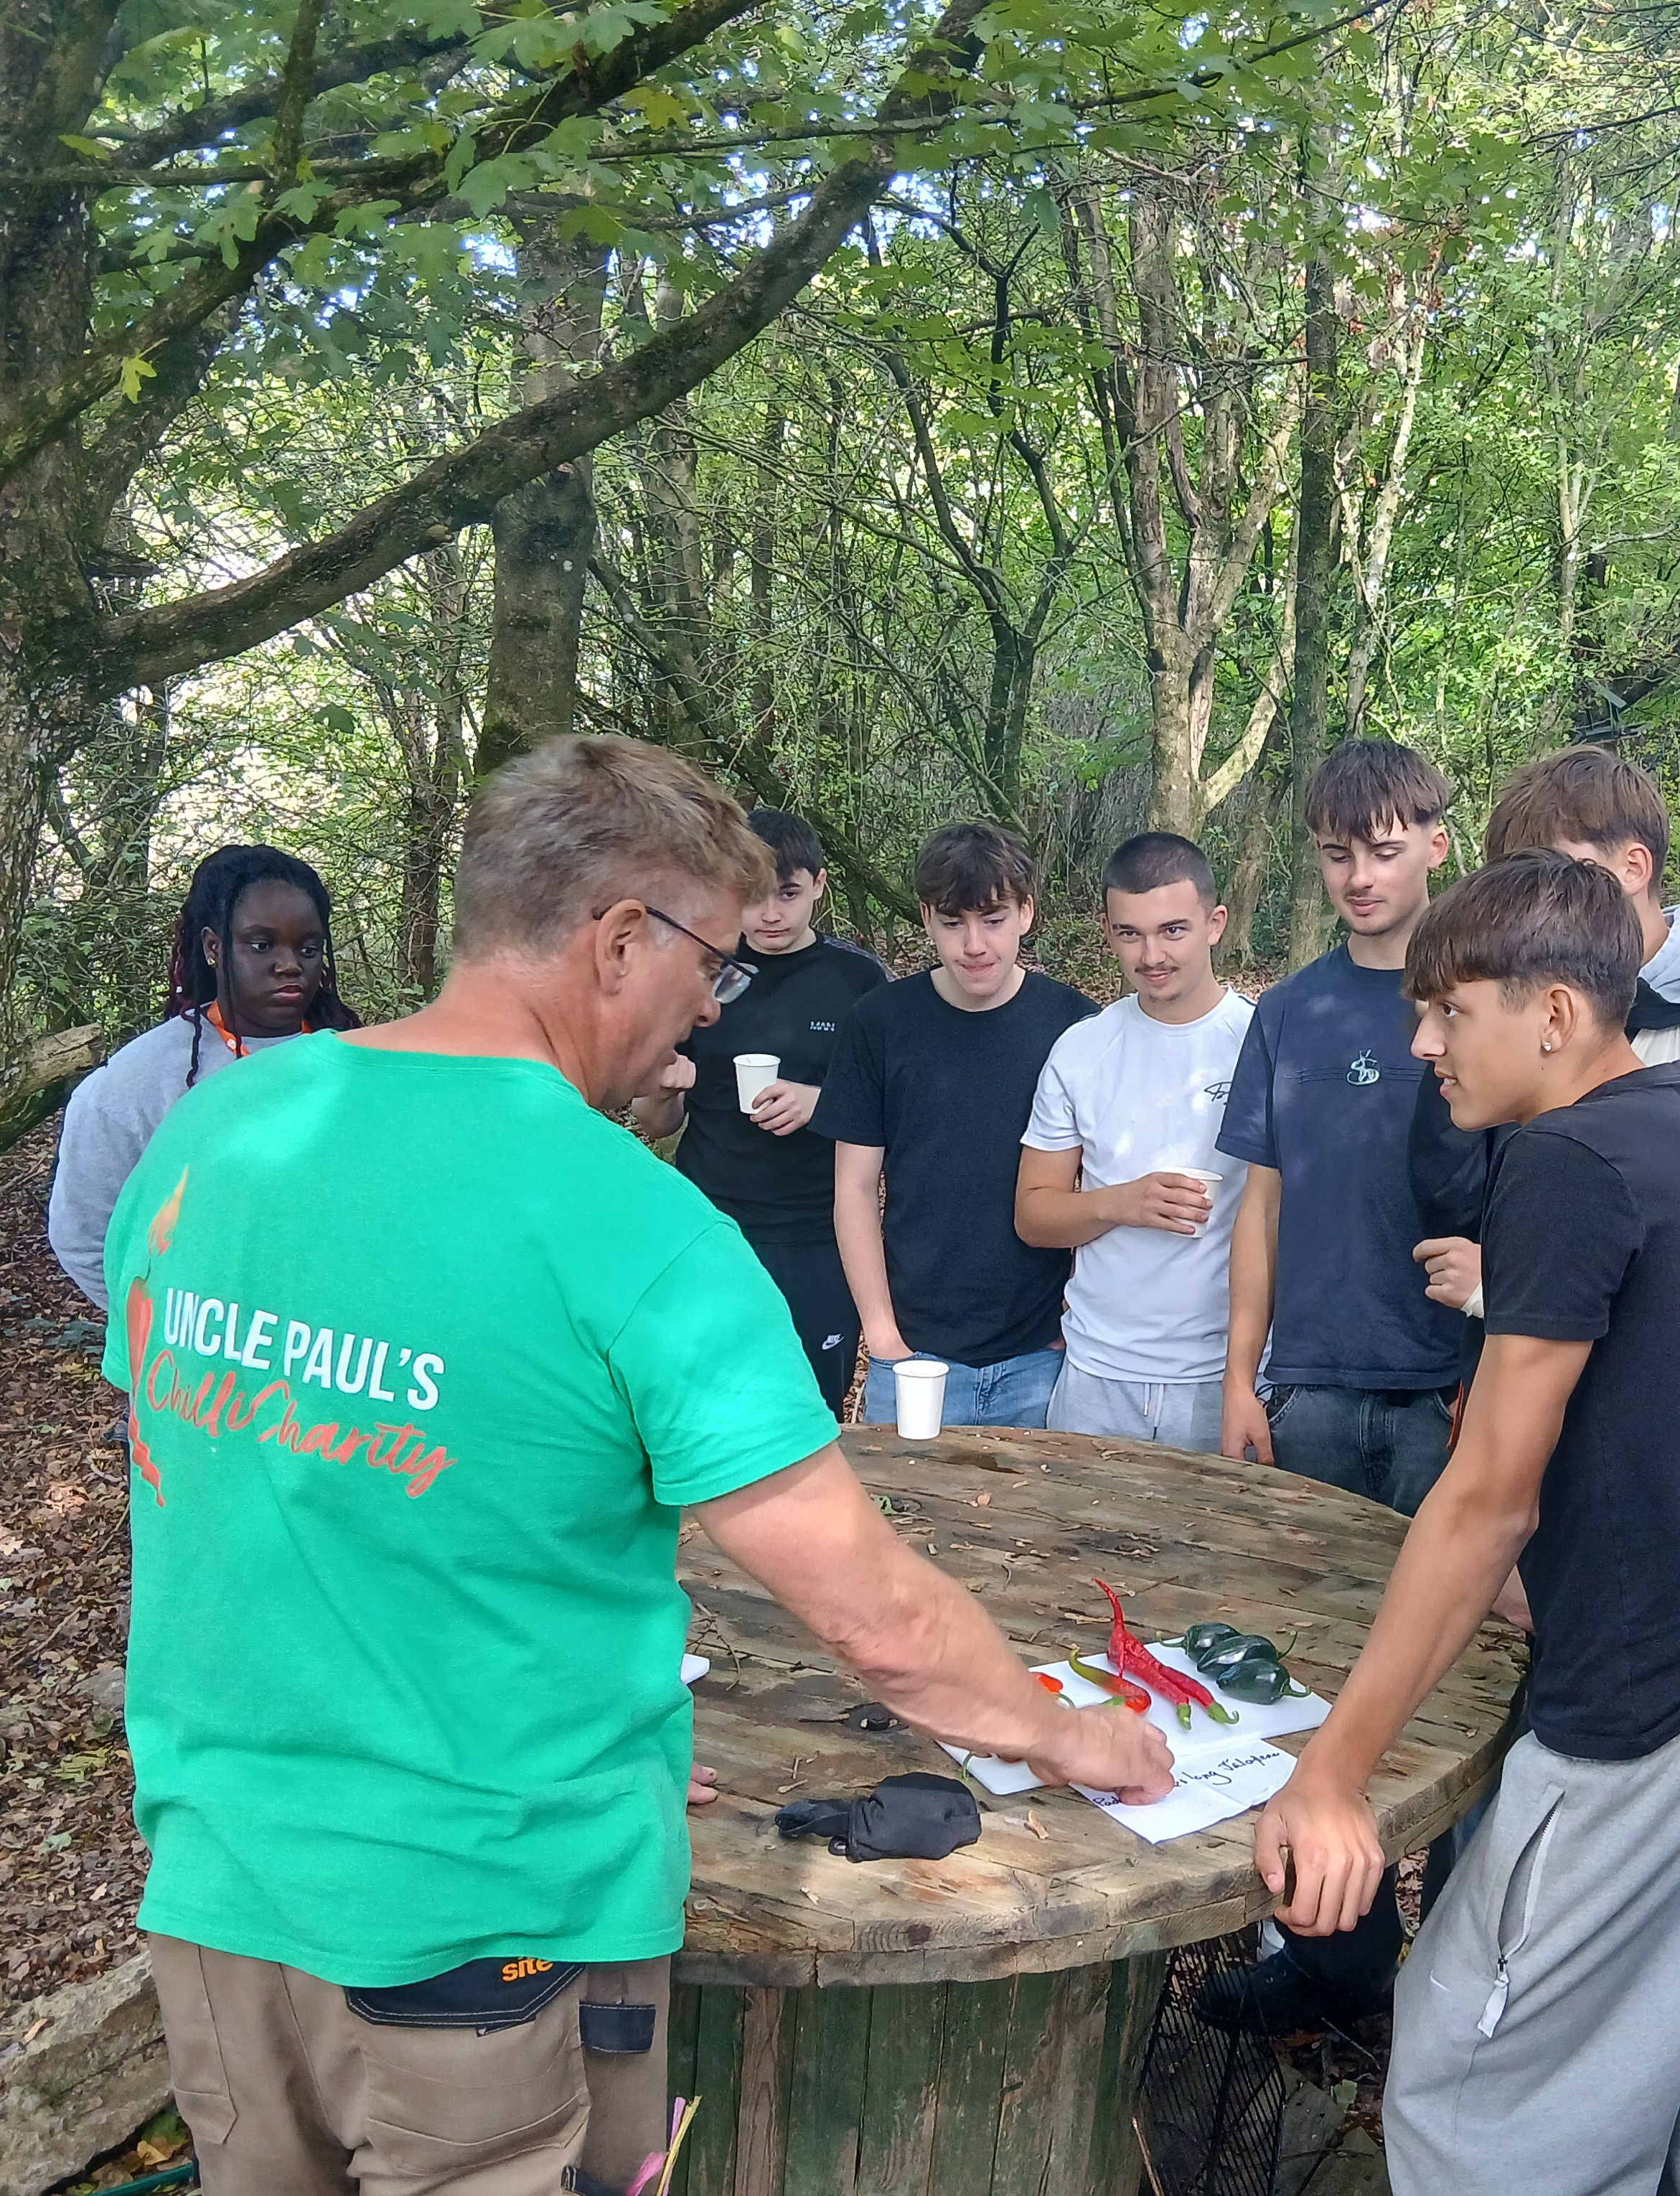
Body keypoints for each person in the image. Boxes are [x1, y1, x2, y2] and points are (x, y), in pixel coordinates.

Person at [100, 736, 1170, 2196]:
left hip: (219, 1896)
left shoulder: (218, 1134)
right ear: (618, 940)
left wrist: (595, 1722)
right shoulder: (638, 1229)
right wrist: (1076, 1734)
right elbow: (881, 1624)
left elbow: (239, 1493)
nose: (704, 1020)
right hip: (482, 1938)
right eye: (711, 968)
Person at [1252, 853, 1680, 2193]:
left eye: (1451, 1011)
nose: (1423, 1042)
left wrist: (1332, 1775)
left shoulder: (1566, 1160)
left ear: (1554, 1015)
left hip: (1642, 1710)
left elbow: (1487, 1495)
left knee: (1469, 2095)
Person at [1202, 738, 1466, 2032]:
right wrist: (1244, 1373)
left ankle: (1464, 1988)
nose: (1359, 875)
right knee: (1295, 1678)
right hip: (1310, 1390)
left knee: (1464, 1692)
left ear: (1436, 841)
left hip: (1444, 1399)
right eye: (1336, 852)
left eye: (1383, 845)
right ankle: (1336, 1968)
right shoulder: (1290, 1012)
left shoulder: (1476, 999)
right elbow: (1261, 1199)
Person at [1407, 743, 1680, 1332]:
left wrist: (1509, 1286)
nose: (1525, 897)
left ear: (1634, 867)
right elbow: (1456, 1201)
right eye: (1510, 876)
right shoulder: (1491, 1018)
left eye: (1555, 869)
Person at [818, 822, 1096, 1430]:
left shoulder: (1078, 1027)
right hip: (914, 1354)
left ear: (1027, 911)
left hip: (1044, 1356)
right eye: (953, 922)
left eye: (993, 919)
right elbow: (855, 1189)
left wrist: (1074, 1323)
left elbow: (1102, 1185)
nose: (974, 943)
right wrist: (883, 1335)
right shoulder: (880, 1023)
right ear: (926, 918)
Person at [1014, 832, 1254, 1453]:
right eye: (1130, 934)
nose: (1151, 955)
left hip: (1223, 1374)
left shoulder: (1261, 1044)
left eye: (1173, 930)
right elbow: (1034, 1215)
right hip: (1099, 1373)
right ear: (1109, 931)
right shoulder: (1082, 1049)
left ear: (1214, 923)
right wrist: (1121, 1203)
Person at [48, 844, 359, 1310]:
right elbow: (83, 1236)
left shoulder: (360, 1062)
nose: (290, 963)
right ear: (214, 946)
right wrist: (163, 1334)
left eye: (308, 948)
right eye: (261, 944)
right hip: (198, 1370)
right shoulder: (135, 1083)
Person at [669, 809, 887, 1410]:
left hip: (818, 1233)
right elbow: (660, 1119)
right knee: (709, 1402)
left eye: (788, 894)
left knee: (815, 1404)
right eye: (756, 895)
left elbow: (896, 1110)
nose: (771, 914)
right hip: (711, 1226)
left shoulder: (858, 980)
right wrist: (664, 1088)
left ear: (819, 885)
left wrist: (820, 1102)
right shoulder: (701, 972)